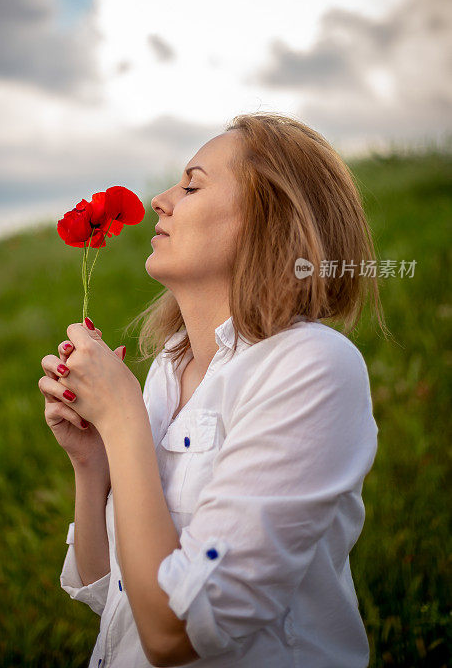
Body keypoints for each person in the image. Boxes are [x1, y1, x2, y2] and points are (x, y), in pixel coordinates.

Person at [38, 112, 388, 667]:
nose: (160, 199)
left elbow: (172, 634)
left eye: (192, 184)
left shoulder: (310, 365)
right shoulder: (166, 374)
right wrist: (93, 463)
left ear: (269, 220)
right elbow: (111, 596)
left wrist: (123, 416)